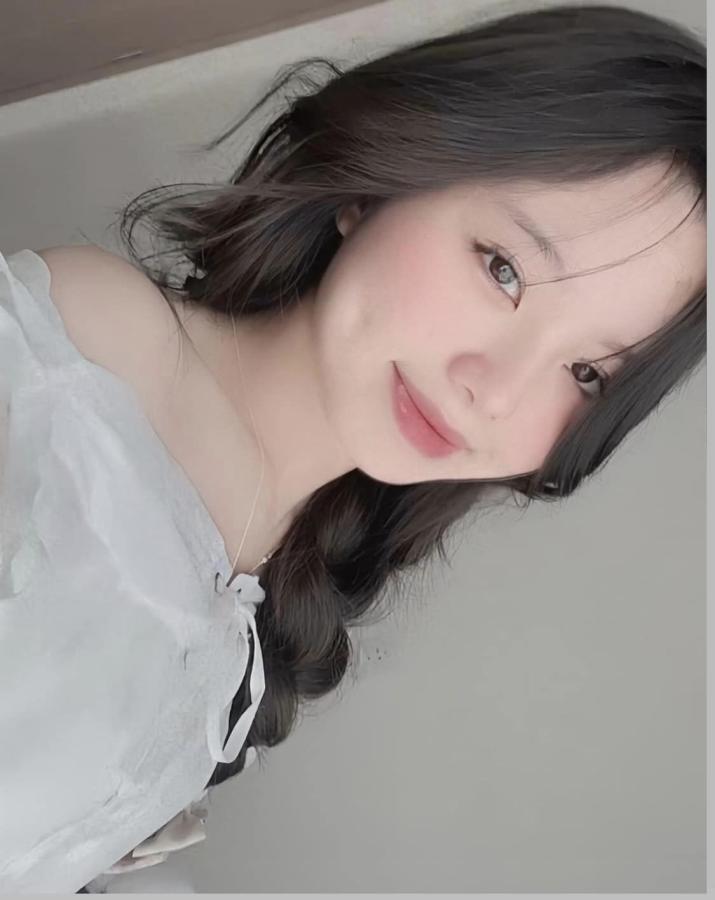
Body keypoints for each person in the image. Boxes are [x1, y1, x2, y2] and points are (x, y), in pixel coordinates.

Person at [0, 2, 705, 892]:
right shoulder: (87, 356)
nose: (493, 390)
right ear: (378, 180)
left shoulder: (271, 615)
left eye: (587, 372)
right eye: (504, 269)